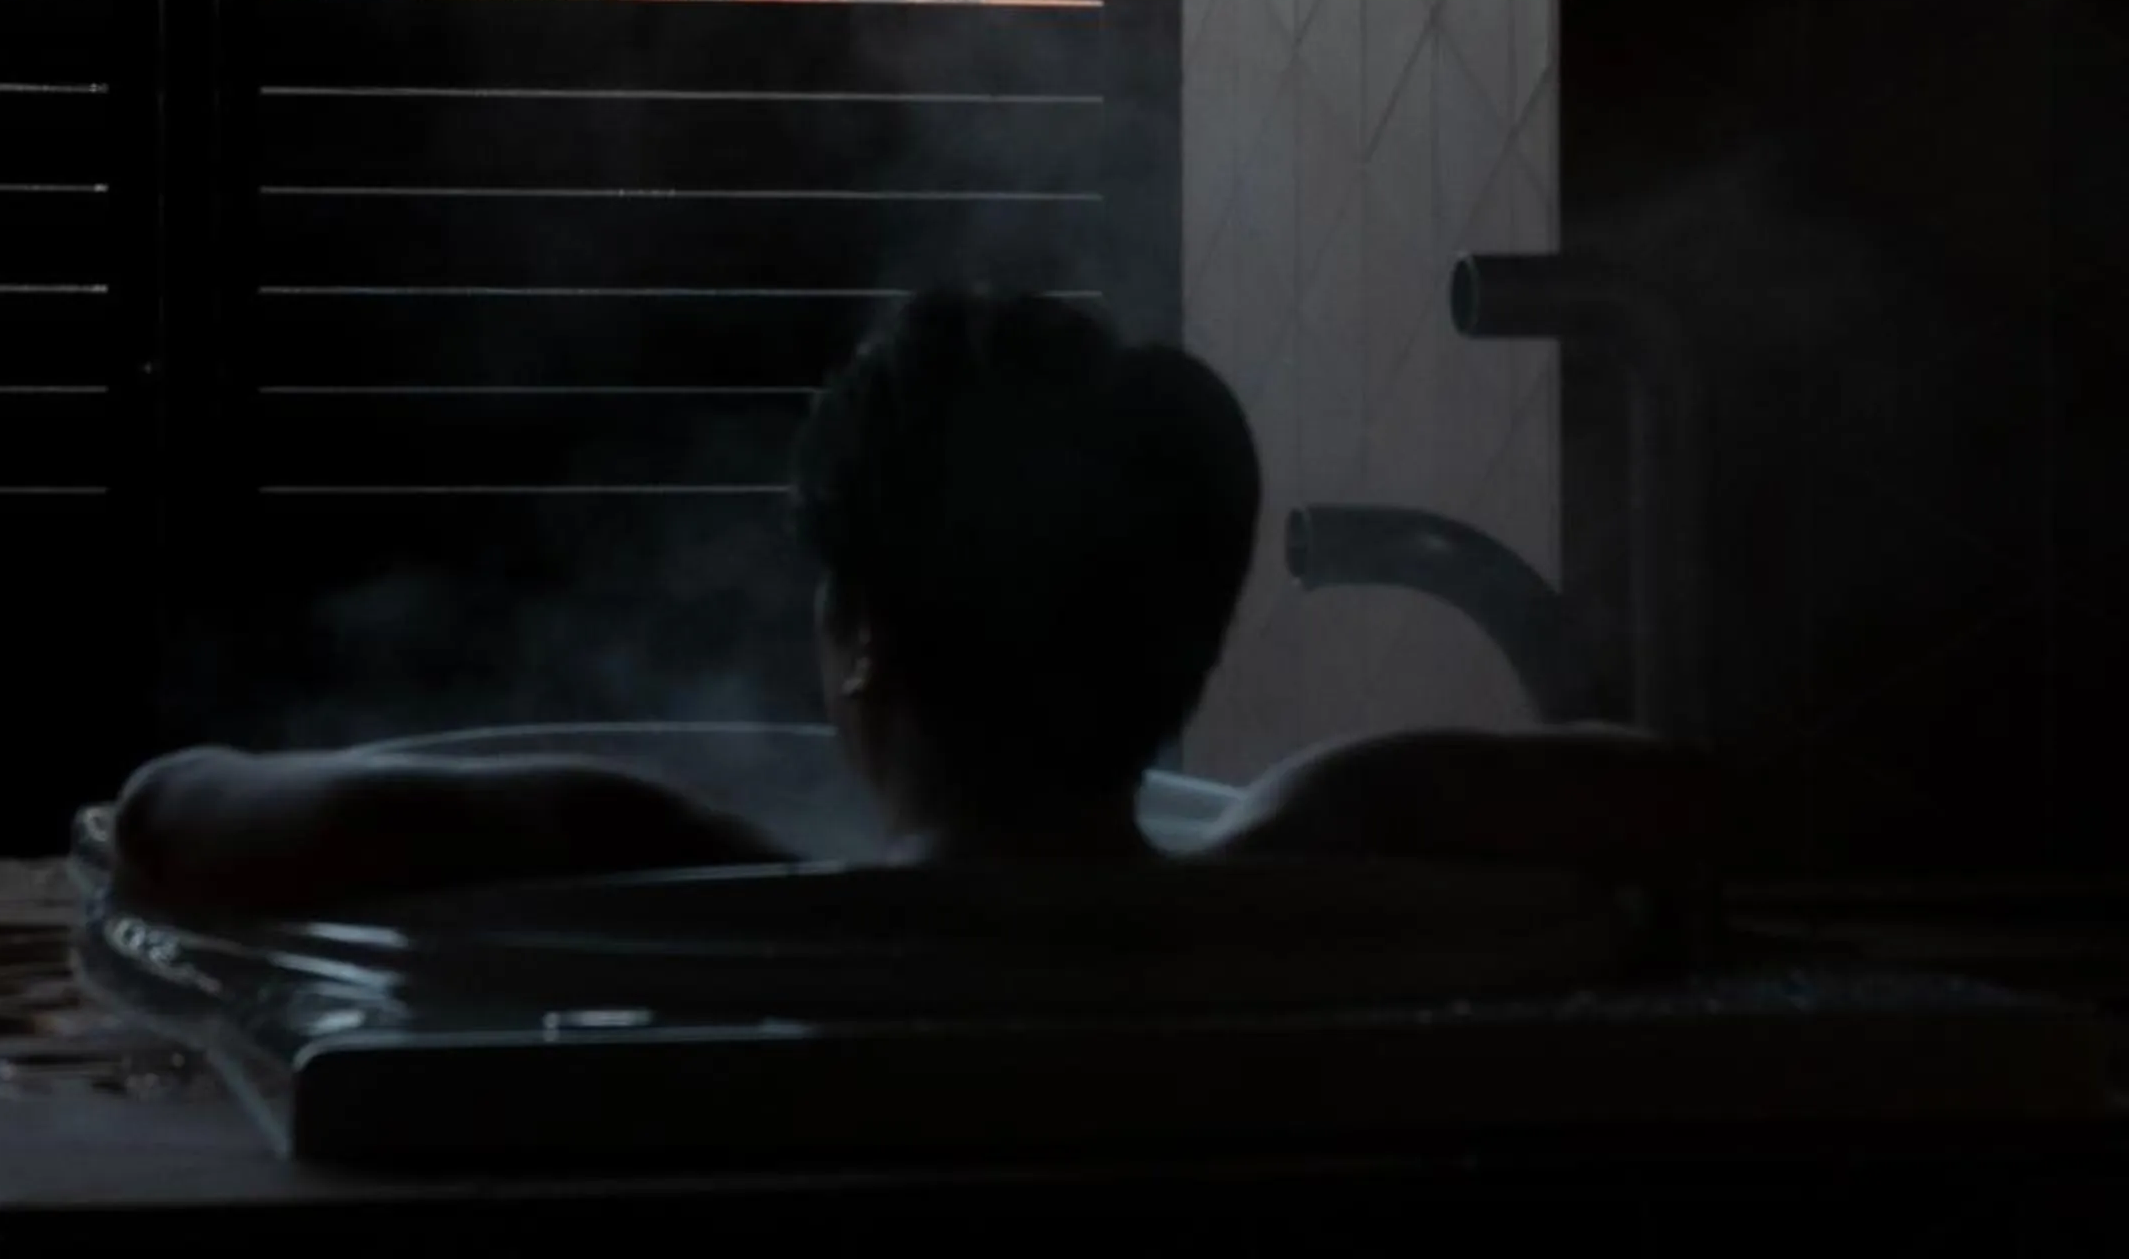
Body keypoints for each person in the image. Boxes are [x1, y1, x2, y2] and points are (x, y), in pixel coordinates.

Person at [111, 292, 1717, 914]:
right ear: (1185, 637)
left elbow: (176, 813)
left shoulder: (716, 890)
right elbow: (1692, 795)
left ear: (864, 628)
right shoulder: (1297, 856)